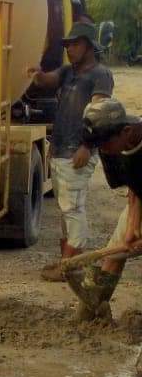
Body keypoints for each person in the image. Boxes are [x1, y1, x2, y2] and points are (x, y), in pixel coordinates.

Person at [26, 18, 113, 280]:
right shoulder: (68, 72)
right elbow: (47, 80)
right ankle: (69, 263)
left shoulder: (100, 75)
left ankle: (71, 267)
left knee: (73, 210)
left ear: (87, 46)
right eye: (67, 45)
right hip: (62, 149)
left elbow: (100, 114)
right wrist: (36, 74)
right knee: (66, 210)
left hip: (78, 151)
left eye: (74, 45)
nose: (69, 49)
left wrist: (88, 146)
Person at [65, 98, 142, 322]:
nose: (102, 151)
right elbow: (135, 188)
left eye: (104, 145)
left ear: (126, 131)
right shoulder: (111, 149)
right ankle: (92, 310)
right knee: (117, 250)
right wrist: (131, 228)